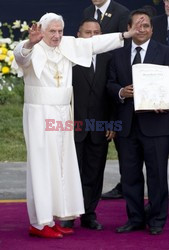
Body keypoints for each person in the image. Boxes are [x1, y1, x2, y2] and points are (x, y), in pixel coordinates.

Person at [12, 13, 141, 238]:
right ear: (41, 31)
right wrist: (29, 43)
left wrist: (125, 34)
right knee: (43, 167)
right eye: (52, 31)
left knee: (61, 167)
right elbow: (20, 58)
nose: (57, 35)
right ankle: (39, 223)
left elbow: (95, 43)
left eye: (60, 31)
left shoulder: (68, 45)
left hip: (63, 114)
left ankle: (52, 218)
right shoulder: (32, 47)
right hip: (40, 114)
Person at [107, 9, 169, 235]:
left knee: (158, 176)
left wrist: (166, 101)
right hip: (127, 126)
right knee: (130, 176)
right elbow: (110, 85)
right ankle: (134, 218)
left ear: (152, 29)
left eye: (146, 26)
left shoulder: (165, 53)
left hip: (157, 125)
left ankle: (157, 220)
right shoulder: (118, 55)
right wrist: (122, 91)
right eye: (137, 26)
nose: (142, 30)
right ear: (129, 29)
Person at [61, 18, 115, 230]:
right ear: (78, 35)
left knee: (94, 172)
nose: (92, 36)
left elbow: (111, 92)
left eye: (96, 32)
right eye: (87, 32)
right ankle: (68, 214)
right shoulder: (68, 60)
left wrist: (112, 122)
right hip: (72, 127)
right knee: (72, 172)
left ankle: (89, 213)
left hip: (100, 127)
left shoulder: (109, 58)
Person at [83, 0, 130, 200]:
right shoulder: (87, 11)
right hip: (91, 79)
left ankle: (125, 185)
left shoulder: (122, 12)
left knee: (122, 147)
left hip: (113, 77)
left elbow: (123, 48)